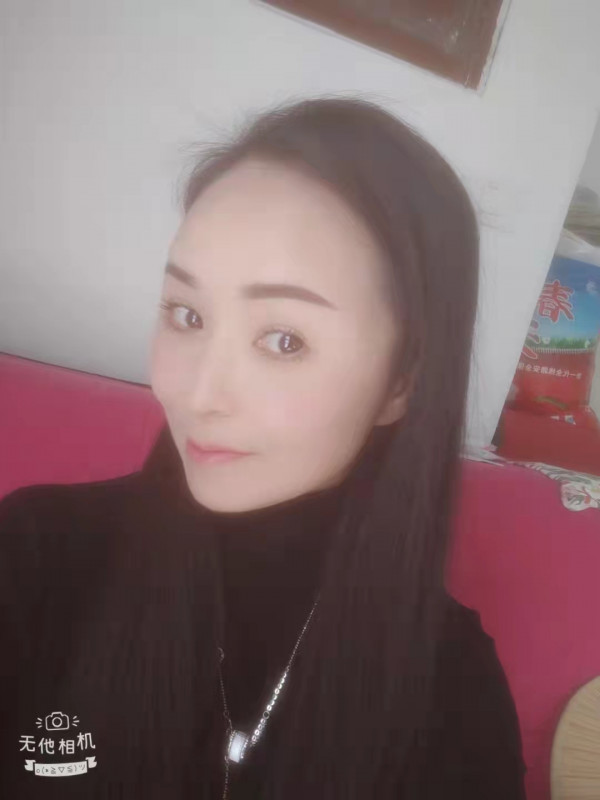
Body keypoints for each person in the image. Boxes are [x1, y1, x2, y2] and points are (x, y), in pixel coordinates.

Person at [0, 96, 527, 799]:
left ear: (402, 380)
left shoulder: (450, 689)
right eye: (187, 315)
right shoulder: (36, 556)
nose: (198, 393)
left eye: (283, 340)